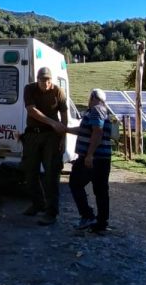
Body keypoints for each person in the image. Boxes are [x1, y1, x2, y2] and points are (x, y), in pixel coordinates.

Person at [20, 66, 68, 224]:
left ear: (51, 80)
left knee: (51, 174)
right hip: (33, 134)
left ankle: (51, 212)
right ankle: (37, 204)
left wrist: (63, 136)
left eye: (48, 80)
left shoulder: (58, 92)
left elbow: (64, 115)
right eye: (42, 80)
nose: (45, 83)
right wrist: (53, 122)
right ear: (37, 80)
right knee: (29, 170)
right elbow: (31, 110)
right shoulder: (29, 89)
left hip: (51, 137)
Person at [64, 87, 113, 234]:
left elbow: (97, 132)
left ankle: (87, 216)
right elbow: (84, 130)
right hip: (103, 158)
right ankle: (101, 223)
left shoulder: (96, 110)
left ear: (93, 97)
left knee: (75, 183)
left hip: (93, 158)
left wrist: (89, 155)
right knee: (101, 190)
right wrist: (65, 129)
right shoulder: (103, 110)